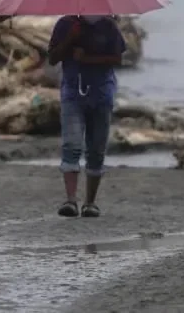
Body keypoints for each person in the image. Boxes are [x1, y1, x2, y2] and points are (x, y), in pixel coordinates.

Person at [48, 14, 127, 218]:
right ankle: (71, 200)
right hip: (73, 92)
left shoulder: (108, 26)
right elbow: (53, 58)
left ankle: (90, 202)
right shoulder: (65, 24)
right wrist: (70, 38)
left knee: (96, 149)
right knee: (72, 145)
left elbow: (117, 59)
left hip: (101, 93)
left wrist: (88, 59)